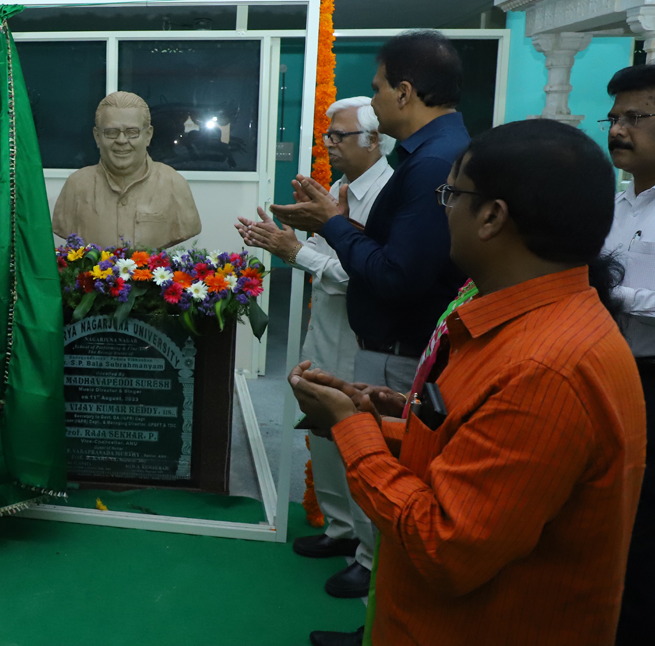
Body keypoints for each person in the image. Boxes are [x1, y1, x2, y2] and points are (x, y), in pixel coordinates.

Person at [289, 119, 646, 646]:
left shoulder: (545, 368)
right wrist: (383, 422)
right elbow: (469, 451)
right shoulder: (518, 322)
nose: (443, 209)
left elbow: (444, 547)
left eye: (451, 195)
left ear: (492, 217)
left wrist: (349, 428)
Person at [238, 96, 394, 600]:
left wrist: (295, 252)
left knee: (356, 433)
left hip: (360, 333)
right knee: (325, 430)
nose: (328, 144)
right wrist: (285, 239)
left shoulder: (389, 194)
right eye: (327, 135)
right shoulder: (340, 189)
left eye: (338, 136)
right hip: (325, 322)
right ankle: (341, 529)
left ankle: (369, 557)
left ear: (375, 140)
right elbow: (327, 258)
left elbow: (363, 274)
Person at [271, 30, 469, 396]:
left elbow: (396, 276)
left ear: (404, 93)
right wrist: (341, 225)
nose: (374, 103)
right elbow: (407, 254)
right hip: (388, 351)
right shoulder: (432, 153)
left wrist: (330, 224)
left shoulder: (433, 162)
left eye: (377, 90)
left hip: (398, 357)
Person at [601, 64, 655, 645]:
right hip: (608, 376)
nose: (618, 129)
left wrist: (609, 293)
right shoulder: (615, 206)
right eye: (614, 118)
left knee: (644, 531)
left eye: (635, 117)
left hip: (651, 381)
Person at [52, 91, 201, 248]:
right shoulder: (76, 186)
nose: (122, 140)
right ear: (97, 137)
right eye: (111, 132)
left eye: (132, 132)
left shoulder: (174, 185)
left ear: (148, 135)